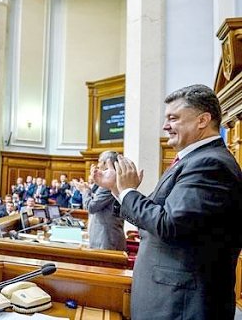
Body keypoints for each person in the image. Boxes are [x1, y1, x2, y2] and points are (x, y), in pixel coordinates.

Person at [94, 84, 242, 320]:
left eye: (173, 118)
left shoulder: (210, 165)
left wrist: (128, 191)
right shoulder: (192, 160)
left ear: (202, 120)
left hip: (181, 304)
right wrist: (116, 189)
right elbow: (155, 220)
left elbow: (169, 224)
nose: (165, 126)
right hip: (168, 297)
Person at [78, 151, 126, 251]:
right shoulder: (108, 181)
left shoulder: (109, 184)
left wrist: (85, 191)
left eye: (99, 162)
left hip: (106, 238)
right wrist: (89, 189)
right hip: (104, 236)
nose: (98, 165)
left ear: (106, 163)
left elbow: (92, 207)